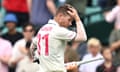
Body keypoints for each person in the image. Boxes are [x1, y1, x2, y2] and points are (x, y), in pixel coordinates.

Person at [30, 4, 87, 72]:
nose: (70, 23)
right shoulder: (59, 31)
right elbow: (83, 37)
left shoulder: (42, 29)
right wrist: (77, 18)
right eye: (69, 20)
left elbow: (32, 47)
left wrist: (36, 58)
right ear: (60, 16)